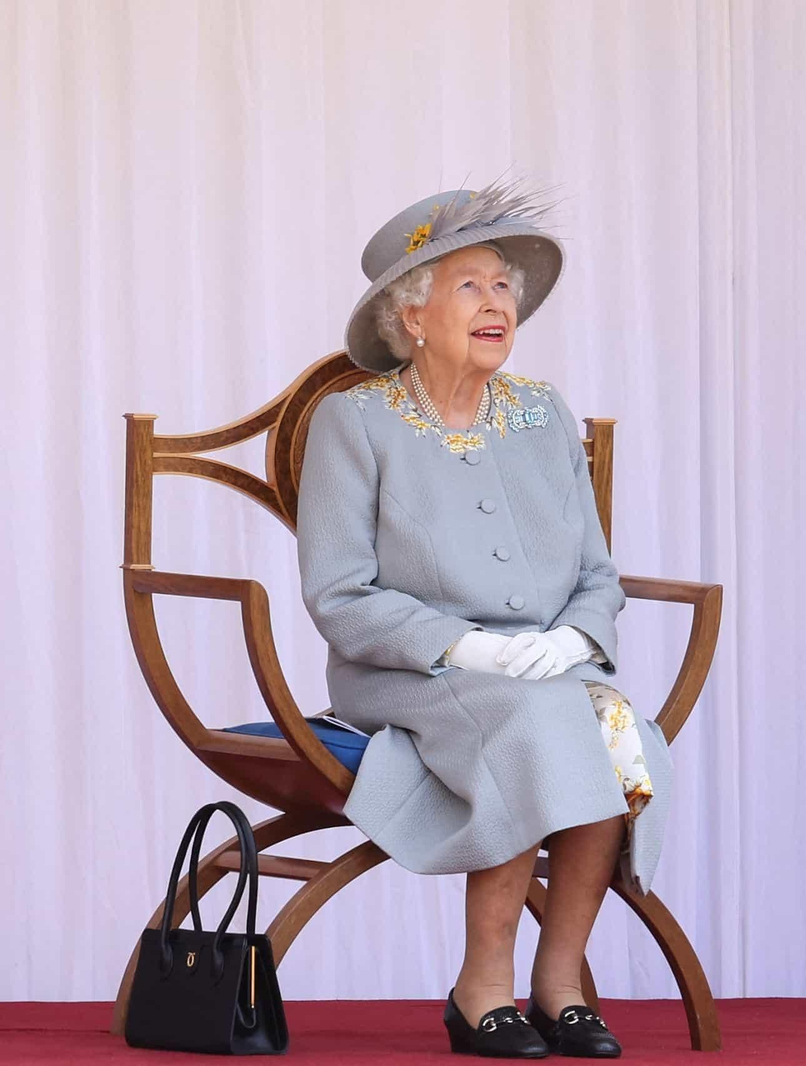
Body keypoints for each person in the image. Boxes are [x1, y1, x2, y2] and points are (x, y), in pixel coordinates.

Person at [296, 177, 673, 1059]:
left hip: (548, 667)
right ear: (412, 316)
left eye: (503, 285)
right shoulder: (352, 424)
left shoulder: (543, 414)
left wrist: (573, 640)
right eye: (469, 285)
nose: (496, 302)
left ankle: (561, 982)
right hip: (410, 675)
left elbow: (594, 570)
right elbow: (340, 594)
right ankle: (482, 988)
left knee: (616, 725)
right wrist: (466, 647)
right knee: (539, 727)